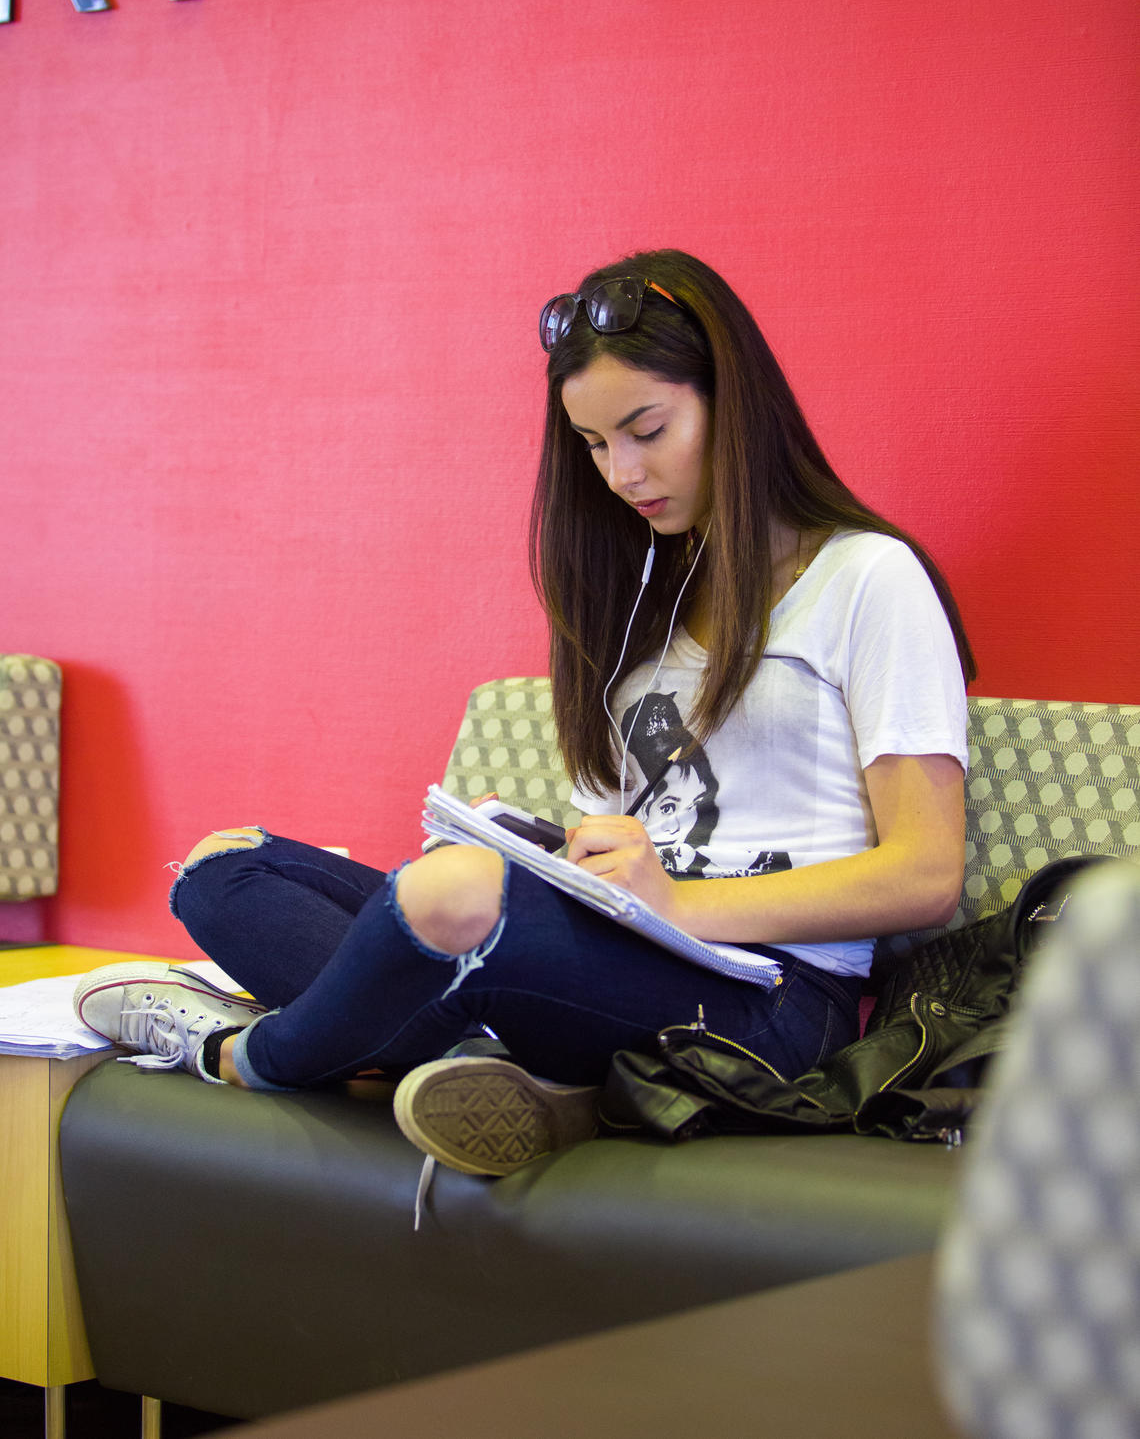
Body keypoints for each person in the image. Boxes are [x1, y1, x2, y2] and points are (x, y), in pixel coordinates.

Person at [74, 249, 973, 1178]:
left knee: (451, 897)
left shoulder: (867, 577)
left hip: (776, 1000)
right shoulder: (640, 600)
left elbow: (926, 873)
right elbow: (621, 844)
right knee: (226, 870)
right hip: (632, 953)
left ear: (731, 405)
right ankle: (492, 1062)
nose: (622, 473)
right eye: (594, 444)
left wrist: (678, 904)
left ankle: (243, 1054)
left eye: (648, 429)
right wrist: (555, 856)